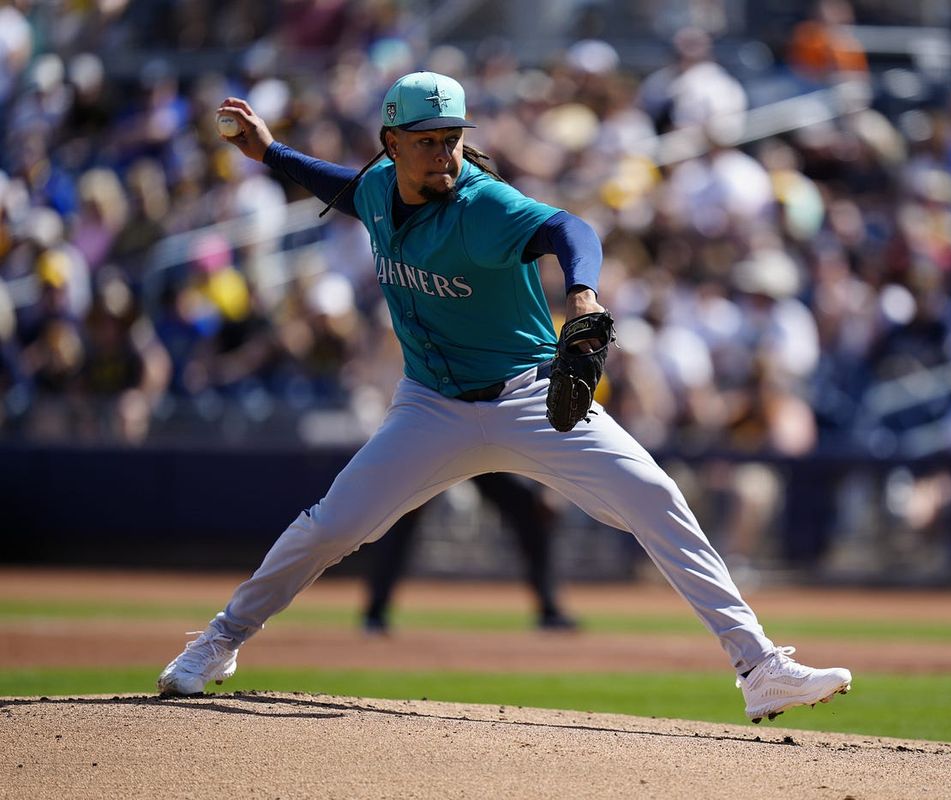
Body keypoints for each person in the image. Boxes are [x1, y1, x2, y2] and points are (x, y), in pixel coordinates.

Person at [156, 71, 851, 722]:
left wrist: (580, 290)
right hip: (429, 406)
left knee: (654, 496)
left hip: (528, 396)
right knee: (333, 526)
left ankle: (758, 666)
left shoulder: (483, 205)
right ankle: (219, 640)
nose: (442, 153)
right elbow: (344, 189)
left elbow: (570, 229)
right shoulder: (376, 189)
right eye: (426, 141)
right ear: (391, 145)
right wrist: (271, 152)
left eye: (451, 138)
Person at [361, 473, 577, 633]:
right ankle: (375, 612)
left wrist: (547, 487)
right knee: (403, 513)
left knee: (530, 511)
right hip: (439, 441)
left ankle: (550, 610)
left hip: (483, 446)